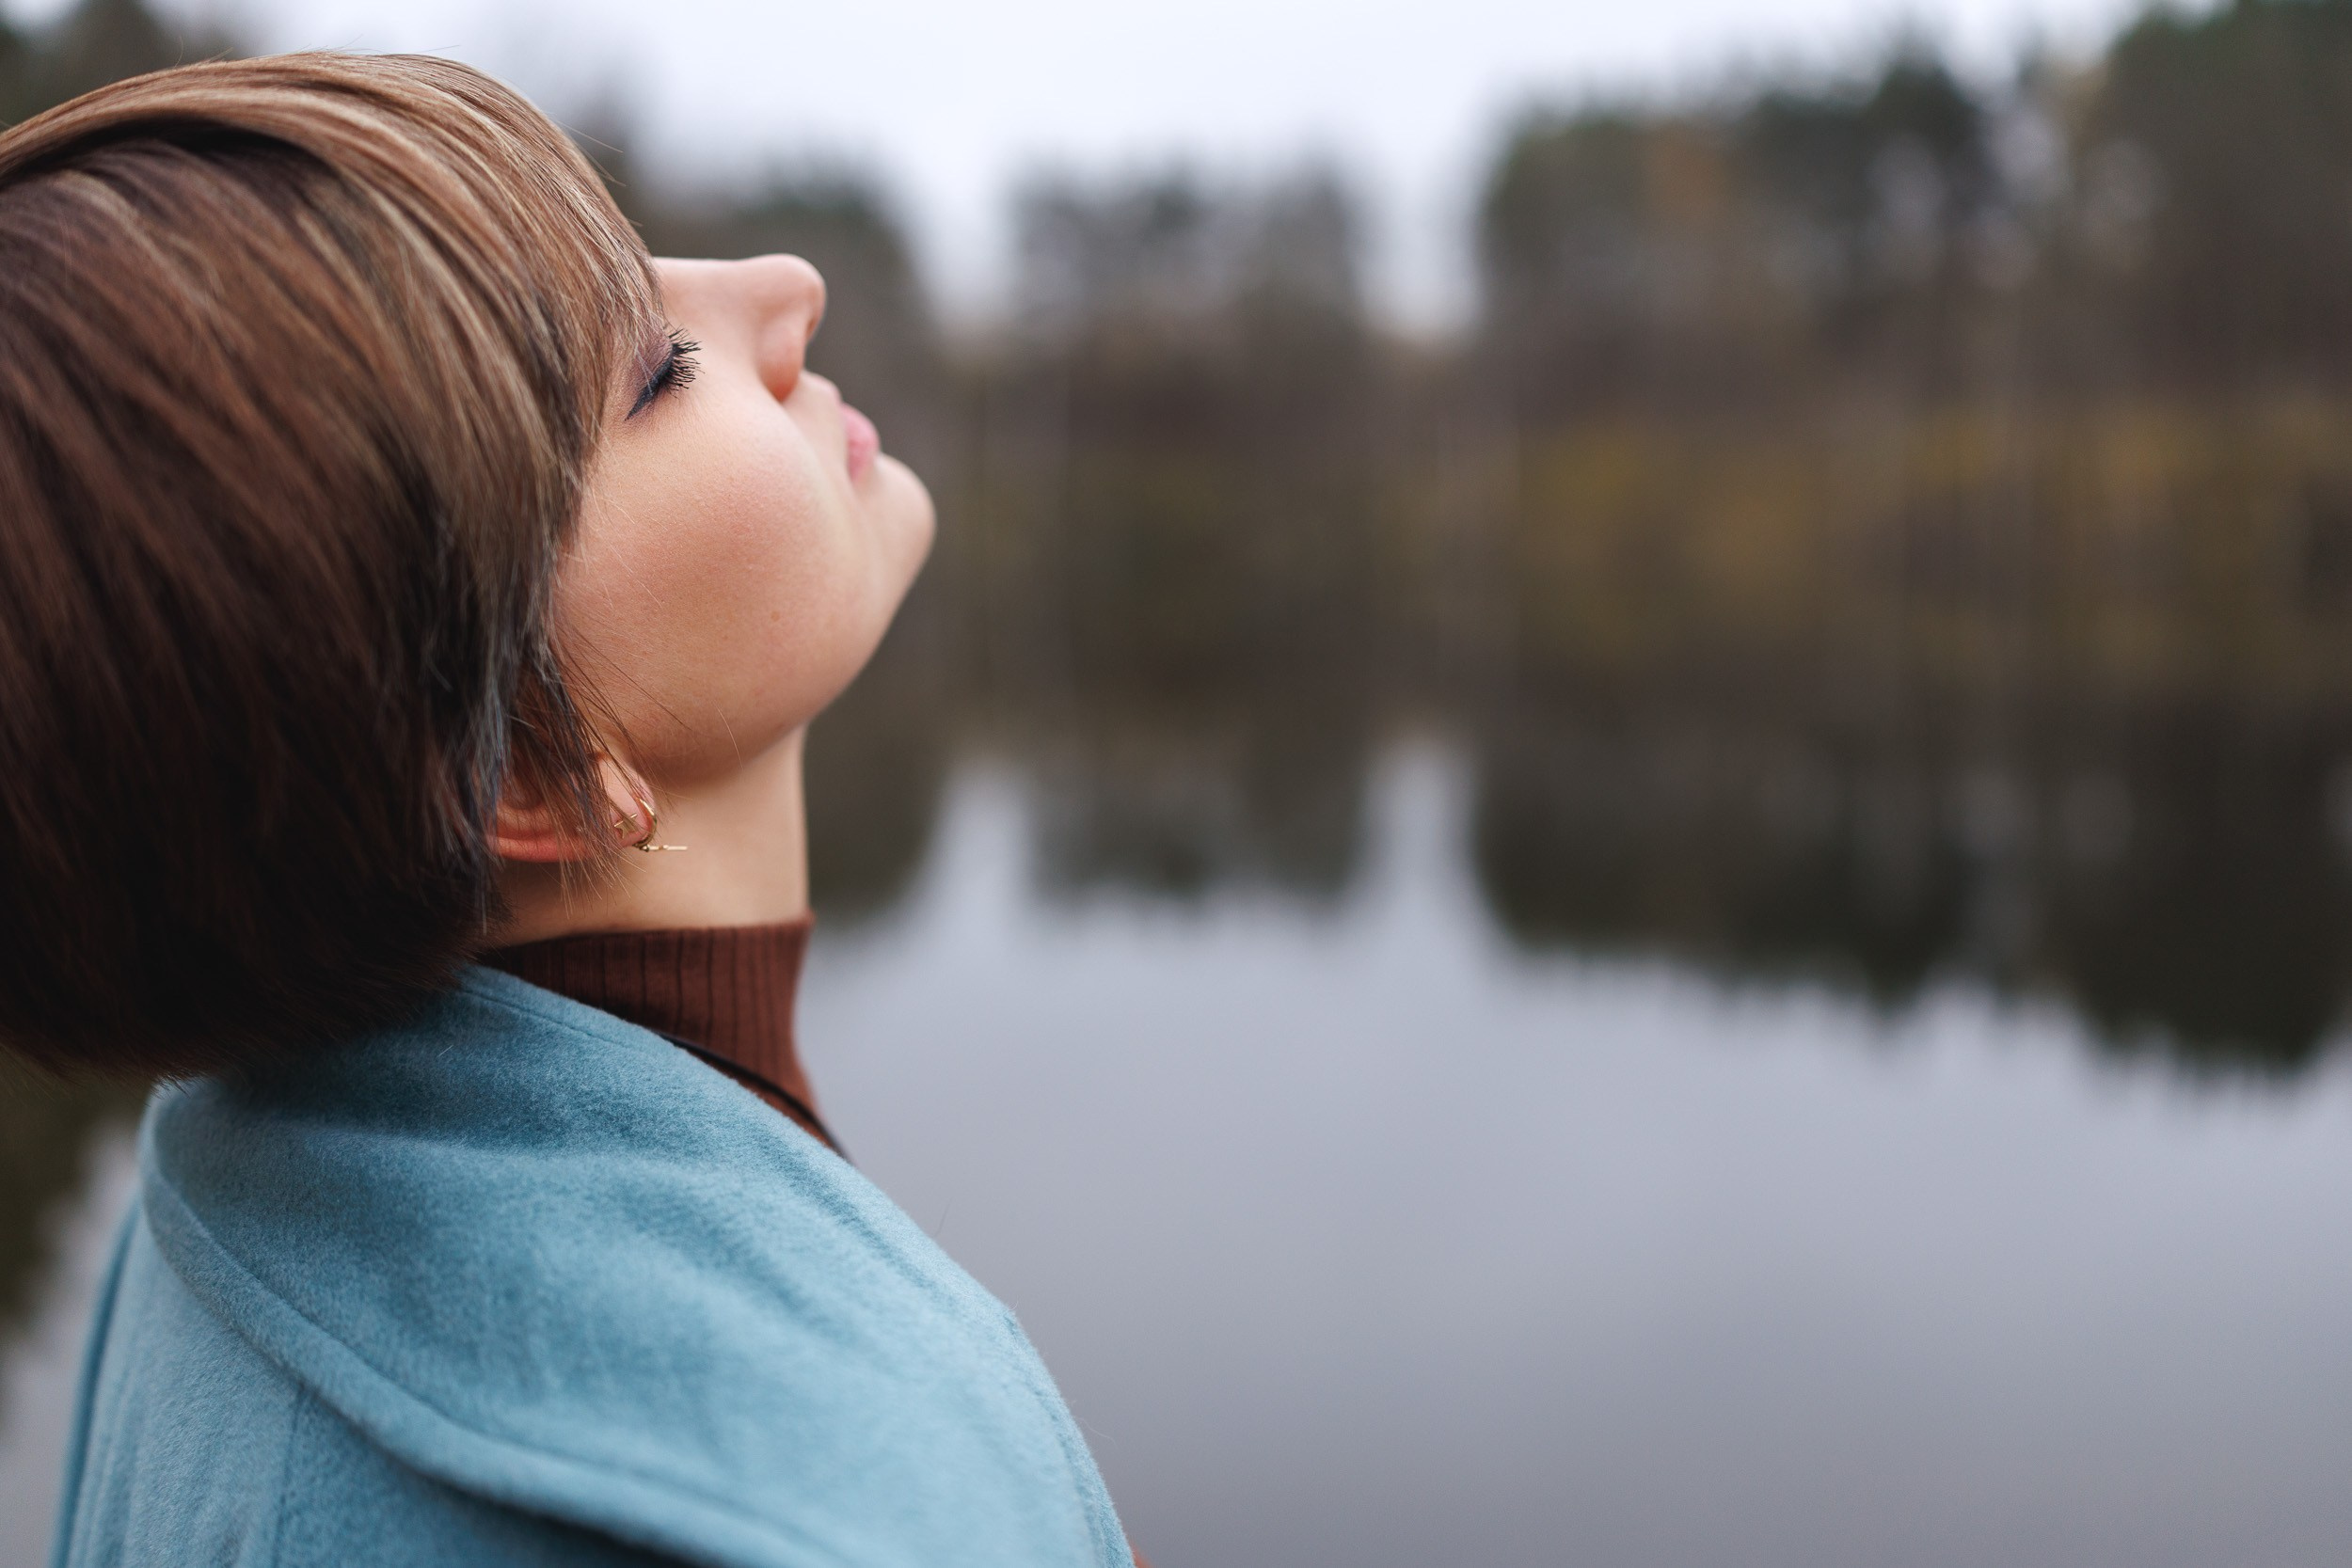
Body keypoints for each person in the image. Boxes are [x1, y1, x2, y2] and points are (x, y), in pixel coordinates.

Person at [0, 53, 1137, 1567]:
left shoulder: (223, 1202)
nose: (784, 288)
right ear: (530, 766)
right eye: (659, 372)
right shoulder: (833, 1515)